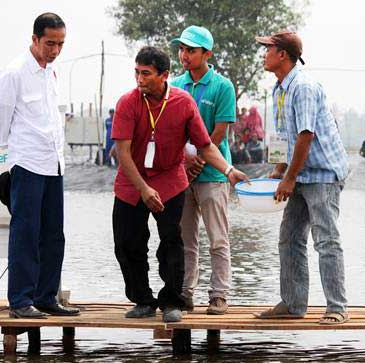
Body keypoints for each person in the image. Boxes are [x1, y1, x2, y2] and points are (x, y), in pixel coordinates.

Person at [111, 46, 248, 323]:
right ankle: (143, 299)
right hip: (132, 181)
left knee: (173, 242)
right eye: (137, 72)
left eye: (146, 74)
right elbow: (122, 153)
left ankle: (172, 300)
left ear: (164, 75)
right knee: (127, 243)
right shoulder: (128, 103)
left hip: (169, 180)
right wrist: (143, 189)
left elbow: (206, 146)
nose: (139, 79)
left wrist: (229, 170)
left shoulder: (183, 103)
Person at [253, 30, 350, 324]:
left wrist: (289, 179)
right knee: (290, 237)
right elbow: (287, 135)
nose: (264, 54)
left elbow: (306, 136)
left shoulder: (303, 86)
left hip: (322, 173)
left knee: (326, 239)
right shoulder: (279, 88)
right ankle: (294, 304)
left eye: (268, 49)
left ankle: (337, 307)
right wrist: (280, 170)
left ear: (283, 54)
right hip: (300, 172)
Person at [0, 13, 80, 319]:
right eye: (50, 43)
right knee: (25, 231)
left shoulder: (51, 73)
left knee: (54, 233)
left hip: (53, 162)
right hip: (27, 161)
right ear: (34, 39)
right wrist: (13, 152)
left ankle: (46, 297)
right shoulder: (15, 73)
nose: (55, 50)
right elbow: (0, 120)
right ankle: (20, 300)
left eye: (60, 44)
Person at [170, 25, 238, 315]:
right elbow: (171, 131)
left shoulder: (222, 87)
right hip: (181, 174)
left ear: (207, 53)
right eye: (182, 49)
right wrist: (186, 162)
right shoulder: (174, 85)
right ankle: (186, 293)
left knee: (218, 238)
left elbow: (219, 133)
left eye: (191, 50)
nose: (184, 55)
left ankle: (219, 295)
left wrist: (198, 159)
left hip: (212, 175)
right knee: (185, 239)